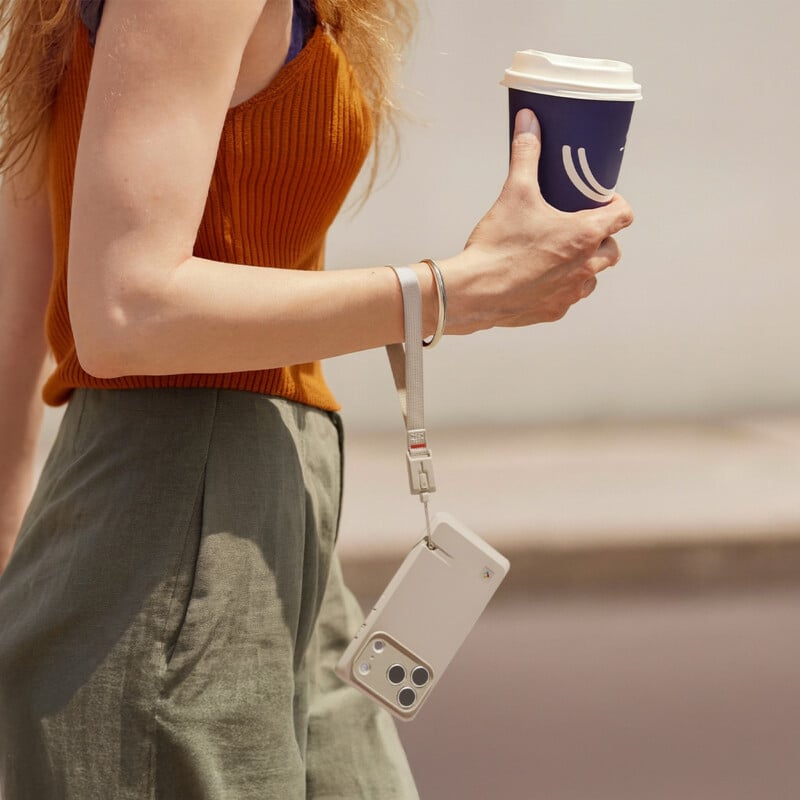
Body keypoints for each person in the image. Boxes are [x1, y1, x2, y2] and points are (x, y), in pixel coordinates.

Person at [0, 0, 633, 797]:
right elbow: (125, 311)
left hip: (257, 525)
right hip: (172, 536)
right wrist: (448, 293)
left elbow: (25, 278)